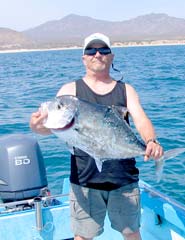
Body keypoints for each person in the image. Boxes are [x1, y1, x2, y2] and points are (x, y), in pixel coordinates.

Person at [30, 33, 164, 240]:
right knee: (83, 236)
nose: (97, 54)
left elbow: (140, 118)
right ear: (84, 57)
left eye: (103, 50)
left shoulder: (125, 90)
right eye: (91, 50)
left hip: (124, 180)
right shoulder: (69, 92)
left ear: (112, 57)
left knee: (132, 233)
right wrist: (36, 125)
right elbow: (51, 127)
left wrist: (151, 141)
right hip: (85, 181)